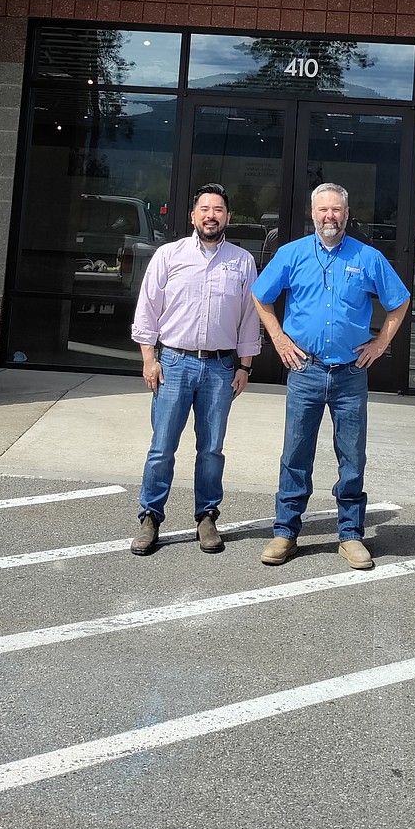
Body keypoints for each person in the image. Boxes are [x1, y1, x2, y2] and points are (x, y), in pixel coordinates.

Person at [252, 182, 411, 571]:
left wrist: (379, 345)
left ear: (347, 212)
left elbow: (400, 301)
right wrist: (279, 339)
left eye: (336, 210)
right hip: (304, 370)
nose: (330, 216)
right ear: (312, 213)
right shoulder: (291, 254)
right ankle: (285, 532)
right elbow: (261, 295)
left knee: (352, 457)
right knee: (295, 455)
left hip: (349, 375)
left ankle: (351, 535)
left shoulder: (368, 258)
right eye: (323, 210)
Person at [130, 183, 260, 556]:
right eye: (204, 209)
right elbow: (148, 309)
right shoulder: (169, 256)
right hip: (173, 363)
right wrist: (149, 359)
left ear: (228, 218)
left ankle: (206, 517)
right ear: (192, 216)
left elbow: (250, 317)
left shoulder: (241, 261)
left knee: (212, 450)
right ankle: (150, 517)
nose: (211, 215)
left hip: (220, 369)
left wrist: (245, 366)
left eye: (218, 210)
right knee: (161, 448)